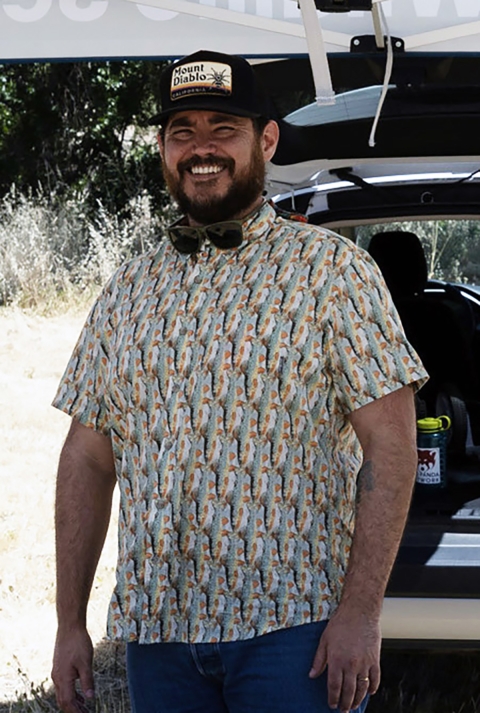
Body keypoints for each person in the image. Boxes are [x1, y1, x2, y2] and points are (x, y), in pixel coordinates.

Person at [51, 50, 428, 713]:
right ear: (164, 149)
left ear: (267, 140)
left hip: (295, 633)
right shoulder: (128, 289)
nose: (201, 148)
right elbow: (86, 457)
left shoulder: (334, 274)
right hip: (160, 636)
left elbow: (392, 450)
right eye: (181, 130)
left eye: (223, 128)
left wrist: (362, 613)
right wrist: (69, 621)